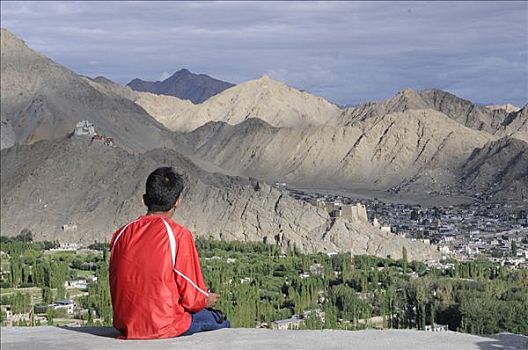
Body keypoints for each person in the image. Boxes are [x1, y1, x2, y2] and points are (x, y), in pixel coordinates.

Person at [109, 166, 230, 339]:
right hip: (164, 325)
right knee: (220, 320)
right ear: (178, 201)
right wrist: (206, 299)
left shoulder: (121, 234)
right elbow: (193, 299)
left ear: (145, 199)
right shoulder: (178, 235)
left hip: (125, 325)